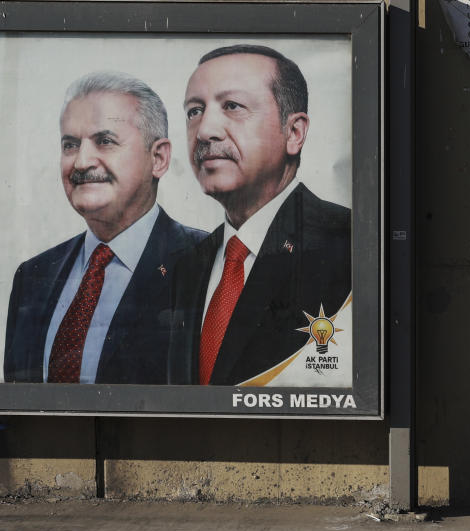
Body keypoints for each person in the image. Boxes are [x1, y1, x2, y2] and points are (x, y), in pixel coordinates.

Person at [4, 72, 206, 384]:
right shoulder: (33, 277)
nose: (81, 162)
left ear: (159, 158)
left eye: (105, 141)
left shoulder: (209, 265)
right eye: (70, 145)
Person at [168, 45, 351, 385]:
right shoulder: (187, 266)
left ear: (293, 132)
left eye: (232, 106)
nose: (205, 130)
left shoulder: (350, 246)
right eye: (194, 111)